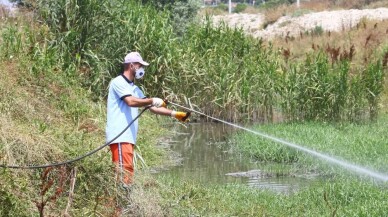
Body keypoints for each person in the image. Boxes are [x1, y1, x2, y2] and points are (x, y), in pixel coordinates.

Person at [106, 51, 189, 186]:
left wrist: (175, 114)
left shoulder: (135, 88)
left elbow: (152, 107)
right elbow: (131, 102)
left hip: (128, 137)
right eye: (140, 66)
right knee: (123, 174)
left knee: (126, 173)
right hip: (120, 136)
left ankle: (120, 203)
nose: (142, 69)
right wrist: (152, 99)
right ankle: (119, 205)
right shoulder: (118, 82)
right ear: (131, 65)